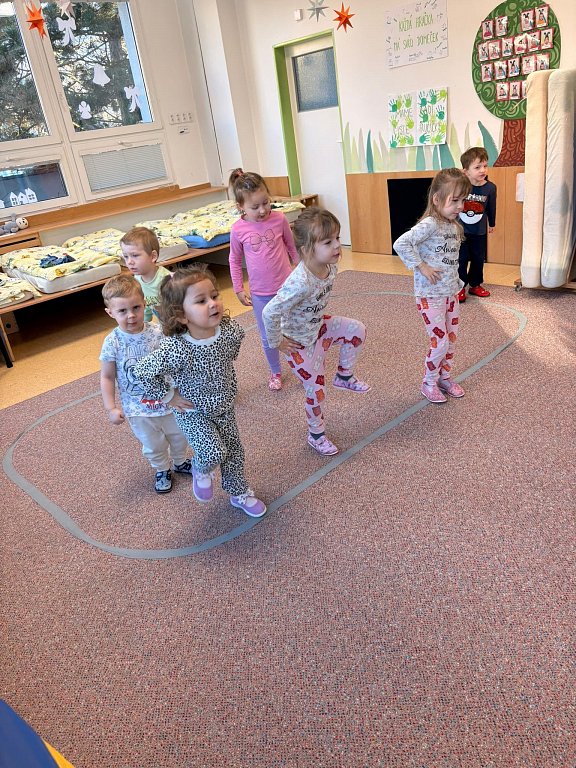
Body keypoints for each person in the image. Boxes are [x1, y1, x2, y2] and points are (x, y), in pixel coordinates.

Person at [132, 265, 266, 518]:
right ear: (182, 316)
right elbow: (142, 371)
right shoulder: (177, 348)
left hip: (223, 406)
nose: (213, 303)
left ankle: (239, 493)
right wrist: (169, 396)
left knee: (234, 452)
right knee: (213, 451)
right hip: (192, 411)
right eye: (201, 301)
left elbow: (231, 354)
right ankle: (200, 468)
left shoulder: (229, 332)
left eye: (214, 296)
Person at [262, 207, 369, 457]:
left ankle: (344, 376)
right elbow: (269, 312)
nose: (337, 246)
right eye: (327, 242)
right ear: (307, 250)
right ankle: (316, 435)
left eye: (337, 238)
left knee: (357, 330)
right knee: (316, 391)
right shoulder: (299, 283)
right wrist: (277, 341)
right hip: (299, 343)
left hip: (318, 327)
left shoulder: (330, 267)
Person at [99, 274, 191, 494]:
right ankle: (162, 469)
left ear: (144, 304)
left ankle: (180, 461)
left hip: (170, 400)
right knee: (153, 444)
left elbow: (175, 360)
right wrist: (111, 407)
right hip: (138, 408)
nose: (131, 315)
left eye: (136, 308)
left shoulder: (159, 332)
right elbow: (107, 377)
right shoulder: (112, 342)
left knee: (180, 435)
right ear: (110, 312)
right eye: (122, 311)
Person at [393, 168, 471, 404]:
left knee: (451, 340)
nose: (460, 206)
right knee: (440, 341)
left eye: (463, 200)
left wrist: (456, 284)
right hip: (430, 296)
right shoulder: (430, 224)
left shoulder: (453, 226)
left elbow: (449, 260)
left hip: (450, 294)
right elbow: (401, 243)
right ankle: (428, 383)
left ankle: (444, 378)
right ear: (437, 199)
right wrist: (422, 266)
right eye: (454, 200)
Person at [228, 168, 300, 391]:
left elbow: (292, 248)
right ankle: (275, 372)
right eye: (255, 206)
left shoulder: (279, 219)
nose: (262, 210)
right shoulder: (238, 229)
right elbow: (234, 259)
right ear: (240, 206)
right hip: (261, 294)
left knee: (293, 329)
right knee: (269, 335)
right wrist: (238, 288)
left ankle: (300, 367)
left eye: (266, 203)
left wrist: (302, 273)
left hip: (287, 288)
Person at [457, 147, 497, 301]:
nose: (483, 170)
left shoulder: (490, 188)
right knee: (461, 259)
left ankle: (475, 285)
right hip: (460, 231)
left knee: (478, 259)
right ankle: (460, 287)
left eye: (485, 166)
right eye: (477, 167)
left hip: (479, 232)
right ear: (466, 171)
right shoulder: (460, 186)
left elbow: (491, 207)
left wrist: (492, 223)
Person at [120, 226, 170, 322]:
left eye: (135, 255)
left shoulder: (166, 279)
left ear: (153, 256)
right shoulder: (137, 279)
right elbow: (145, 307)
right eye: (126, 256)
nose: (129, 262)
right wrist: (145, 325)